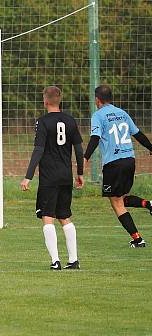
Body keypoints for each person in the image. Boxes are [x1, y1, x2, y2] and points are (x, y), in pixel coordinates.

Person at [20, 86, 84, 270]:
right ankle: (73, 260)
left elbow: (38, 150)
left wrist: (28, 177)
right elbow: (79, 150)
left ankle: (55, 261)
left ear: (45, 101)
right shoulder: (70, 121)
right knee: (65, 216)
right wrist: (80, 173)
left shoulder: (42, 122)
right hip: (66, 176)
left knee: (48, 217)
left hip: (49, 177)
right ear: (60, 100)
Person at [84, 85, 152, 248]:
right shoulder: (122, 113)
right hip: (129, 159)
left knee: (116, 203)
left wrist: (85, 157)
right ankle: (148, 204)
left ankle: (138, 239)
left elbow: (95, 138)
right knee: (120, 198)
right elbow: (138, 134)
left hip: (114, 164)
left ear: (97, 100)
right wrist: (151, 147)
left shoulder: (98, 115)